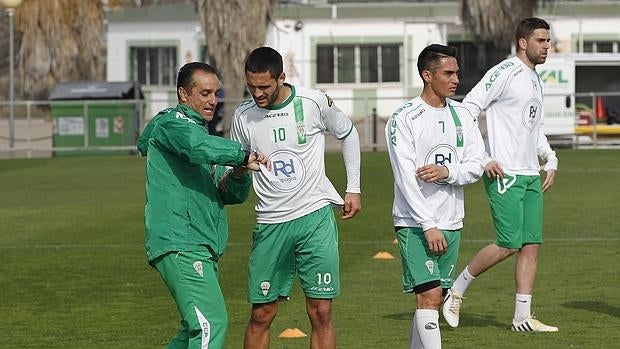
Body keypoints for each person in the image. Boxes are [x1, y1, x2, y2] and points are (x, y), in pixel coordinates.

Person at [230, 46, 362, 349]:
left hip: (315, 218)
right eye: (251, 86)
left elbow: (348, 133)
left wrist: (352, 187)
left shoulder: (313, 101)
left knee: (322, 312)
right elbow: (234, 162)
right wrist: (239, 166)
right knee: (262, 313)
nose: (257, 93)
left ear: (281, 78)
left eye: (264, 86)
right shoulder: (243, 116)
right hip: (271, 223)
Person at [136, 62, 269, 349]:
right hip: (180, 242)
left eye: (216, 94)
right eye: (205, 93)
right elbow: (195, 147)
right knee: (211, 322)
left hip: (201, 243)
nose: (213, 101)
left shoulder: (203, 136)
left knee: (191, 331)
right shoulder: (171, 124)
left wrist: (239, 172)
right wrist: (241, 155)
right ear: (184, 95)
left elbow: (231, 193)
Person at [442, 17, 559, 333]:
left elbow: (534, 128)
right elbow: (468, 109)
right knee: (509, 244)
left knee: (531, 245)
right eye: (541, 40)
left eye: (548, 41)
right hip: (504, 174)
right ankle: (456, 291)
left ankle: (522, 317)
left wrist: (551, 159)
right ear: (523, 42)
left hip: (530, 174)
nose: (547, 46)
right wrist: (482, 157)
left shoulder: (536, 79)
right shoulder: (504, 72)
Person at [385, 44, 485, 348]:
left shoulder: (463, 115)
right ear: (427, 75)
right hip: (415, 223)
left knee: (434, 298)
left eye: (457, 72)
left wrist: (448, 172)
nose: (456, 79)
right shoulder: (404, 118)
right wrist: (428, 224)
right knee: (428, 296)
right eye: (448, 73)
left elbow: (477, 165)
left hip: (452, 221)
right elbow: (404, 177)